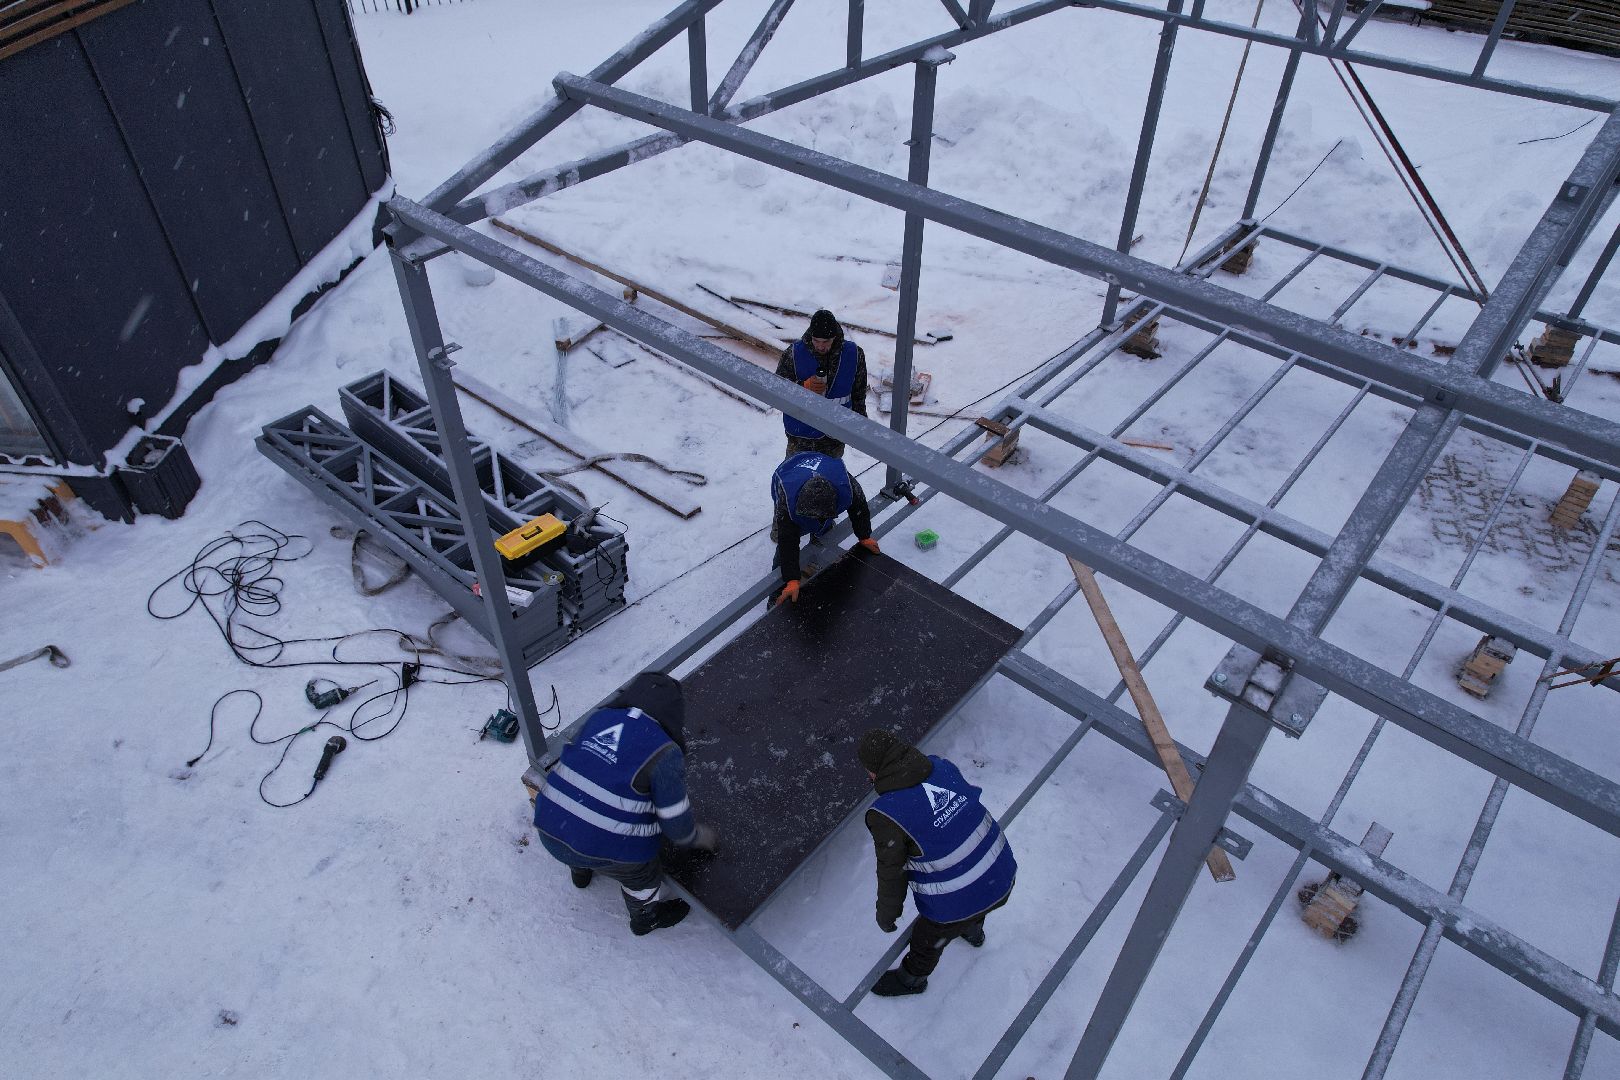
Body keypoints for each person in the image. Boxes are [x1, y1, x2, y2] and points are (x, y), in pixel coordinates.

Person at [534, 671, 719, 936]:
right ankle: (645, 916)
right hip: (600, 848)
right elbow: (675, 823)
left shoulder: (599, 718)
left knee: (579, 814)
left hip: (549, 828)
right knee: (643, 870)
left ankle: (580, 873)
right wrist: (697, 837)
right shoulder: (665, 752)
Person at [858, 728, 1017, 997]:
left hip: (961, 899)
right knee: (974, 884)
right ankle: (973, 929)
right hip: (1002, 872)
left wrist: (887, 915)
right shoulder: (941, 768)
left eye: (868, 772)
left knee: (927, 939)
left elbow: (891, 874)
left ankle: (912, 980)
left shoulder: (887, 815)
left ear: (876, 771)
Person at [771, 450, 879, 607]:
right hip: (788, 472)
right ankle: (777, 590)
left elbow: (859, 507)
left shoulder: (846, 486)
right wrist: (792, 579)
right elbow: (788, 540)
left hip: (824, 469)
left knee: (824, 529)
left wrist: (864, 536)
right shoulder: (786, 501)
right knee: (785, 539)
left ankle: (815, 562)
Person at [777, 308, 869, 458]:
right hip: (800, 436)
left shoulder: (854, 355)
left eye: (826, 341)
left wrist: (860, 426)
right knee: (797, 478)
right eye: (816, 341)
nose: (820, 346)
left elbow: (858, 394)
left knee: (828, 479)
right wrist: (803, 387)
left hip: (834, 437)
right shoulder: (793, 354)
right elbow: (777, 389)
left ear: (835, 337)